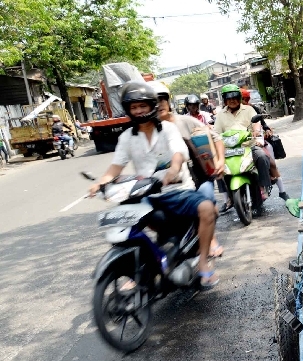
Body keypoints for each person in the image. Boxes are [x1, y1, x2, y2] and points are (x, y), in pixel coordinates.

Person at [87, 81, 219, 288]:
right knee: (126, 226)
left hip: (177, 191)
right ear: (129, 110)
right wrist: (101, 183)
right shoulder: (126, 137)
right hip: (147, 196)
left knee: (207, 208)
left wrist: (173, 171)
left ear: (151, 106)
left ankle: (203, 262)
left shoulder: (167, 129)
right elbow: (116, 166)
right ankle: (135, 270)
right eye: (134, 107)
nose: (139, 111)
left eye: (142, 106)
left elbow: (178, 153)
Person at [153, 82, 226, 257]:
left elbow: (215, 138)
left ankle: (211, 239)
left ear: (168, 101)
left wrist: (220, 161)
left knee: (206, 199)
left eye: (162, 100)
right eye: (153, 101)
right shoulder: (146, 131)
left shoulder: (185, 121)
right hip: (167, 186)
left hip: (197, 179)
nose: (159, 105)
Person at [213, 84, 289, 207]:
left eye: (234, 97)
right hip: (230, 149)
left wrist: (257, 134)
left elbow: (256, 124)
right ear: (225, 100)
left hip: (249, 145)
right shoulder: (221, 114)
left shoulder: (248, 110)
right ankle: (228, 197)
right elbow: (216, 133)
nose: (232, 100)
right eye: (229, 98)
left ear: (239, 97)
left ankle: (263, 186)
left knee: (262, 157)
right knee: (218, 166)